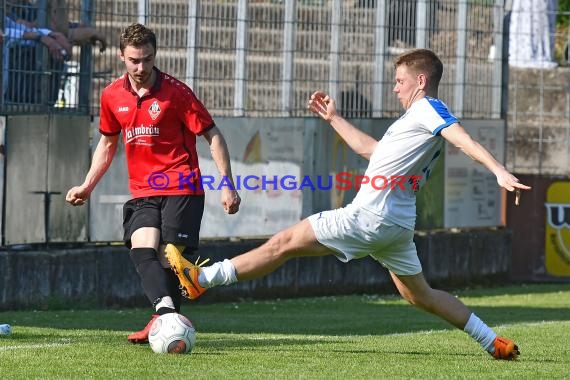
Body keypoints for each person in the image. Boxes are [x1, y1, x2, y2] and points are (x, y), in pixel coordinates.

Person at [165, 49, 531, 360]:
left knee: (283, 243)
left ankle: (202, 279)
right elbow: (370, 150)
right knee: (420, 295)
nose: (395, 88)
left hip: (370, 217)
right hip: (397, 227)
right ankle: (492, 341)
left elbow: (461, 137)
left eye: (400, 81)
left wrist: (497, 171)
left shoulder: (429, 110)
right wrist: (334, 119)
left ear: (421, 81)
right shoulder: (413, 122)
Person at [65, 23, 241, 344]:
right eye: (134, 60)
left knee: (167, 255)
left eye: (147, 59)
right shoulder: (111, 96)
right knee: (142, 248)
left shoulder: (177, 93)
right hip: (143, 191)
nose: (141, 67)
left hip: (181, 185)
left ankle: (162, 317)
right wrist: (87, 186)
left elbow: (212, 135)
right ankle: (165, 317)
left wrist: (227, 184)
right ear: (122, 57)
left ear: (154, 55)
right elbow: (107, 145)